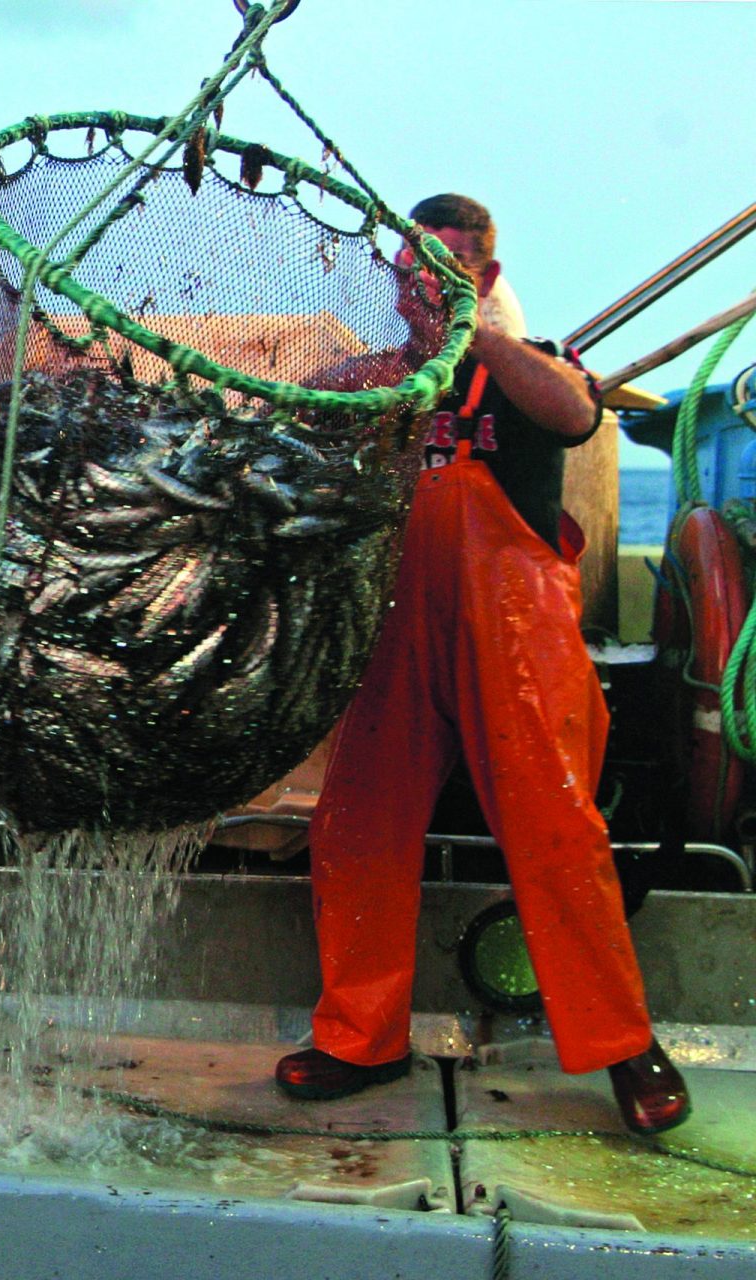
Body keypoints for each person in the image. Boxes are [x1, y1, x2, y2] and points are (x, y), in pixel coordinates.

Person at [275, 194, 690, 1135]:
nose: (438, 282)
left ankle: (624, 1044)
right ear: (396, 278)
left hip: (517, 634)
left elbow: (577, 416)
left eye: (459, 266)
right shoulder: (367, 379)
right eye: (423, 269)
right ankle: (358, 1038)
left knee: (557, 826)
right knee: (357, 824)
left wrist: (479, 332)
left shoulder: (533, 368)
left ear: (487, 277)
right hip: (390, 633)